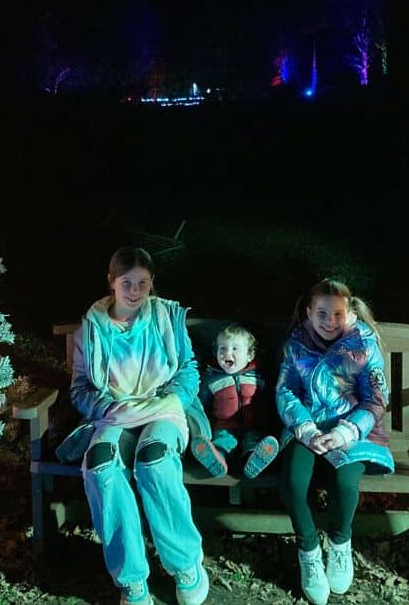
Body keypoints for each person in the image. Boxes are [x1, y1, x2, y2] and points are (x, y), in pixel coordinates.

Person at [66, 247, 210, 605]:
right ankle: (131, 578)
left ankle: (185, 562)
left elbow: (188, 370)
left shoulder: (166, 317)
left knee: (155, 459)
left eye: (143, 283)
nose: (135, 290)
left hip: (161, 409)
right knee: (100, 464)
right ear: (112, 282)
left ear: (152, 284)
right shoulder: (93, 327)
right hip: (115, 413)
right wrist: (108, 407)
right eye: (127, 282)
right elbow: (80, 387)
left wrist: (173, 399)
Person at [276, 278, 394, 605]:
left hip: (353, 430)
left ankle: (340, 543)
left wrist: (346, 431)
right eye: (322, 314)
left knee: (345, 482)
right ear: (309, 313)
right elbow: (286, 390)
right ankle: (309, 549)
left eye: (337, 314)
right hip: (308, 428)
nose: (330, 322)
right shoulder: (296, 345)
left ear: (349, 313)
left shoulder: (363, 345)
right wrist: (306, 429)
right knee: (293, 481)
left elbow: (375, 399)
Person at [190, 324, 280, 479]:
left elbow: (268, 403)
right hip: (224, 426)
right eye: (222, 348)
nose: (227, 353)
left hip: (252, 426)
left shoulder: (258, 378)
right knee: (223, 442)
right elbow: (202, 405)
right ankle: (217, 460)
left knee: (252, 441)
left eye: (235, 349)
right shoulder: (211, 379)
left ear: (249, 355)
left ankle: (253, 461)